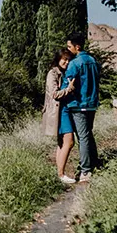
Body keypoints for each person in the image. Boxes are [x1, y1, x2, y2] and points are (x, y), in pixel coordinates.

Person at [62, 32, 100, 182]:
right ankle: (94, 162)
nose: (68, 49)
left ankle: (85, 170)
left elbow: (67, 84)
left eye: (69, 46)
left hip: (78, 104)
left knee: (82, 137)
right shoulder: (93, 61)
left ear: (77, 47)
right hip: (92, 103)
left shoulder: (74, 63)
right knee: (88, 134)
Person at [41, 48, 77, 183]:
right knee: (69, 141)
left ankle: (60, 174)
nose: (67, 62)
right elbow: (55, 94)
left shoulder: (62, 72)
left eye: (69, 60)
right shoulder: (53, 73)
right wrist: (69, 89)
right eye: (64, 59)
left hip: (63, 110)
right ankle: (61, 175)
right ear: (58, 59)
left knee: (62, 143)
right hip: (59, 112)